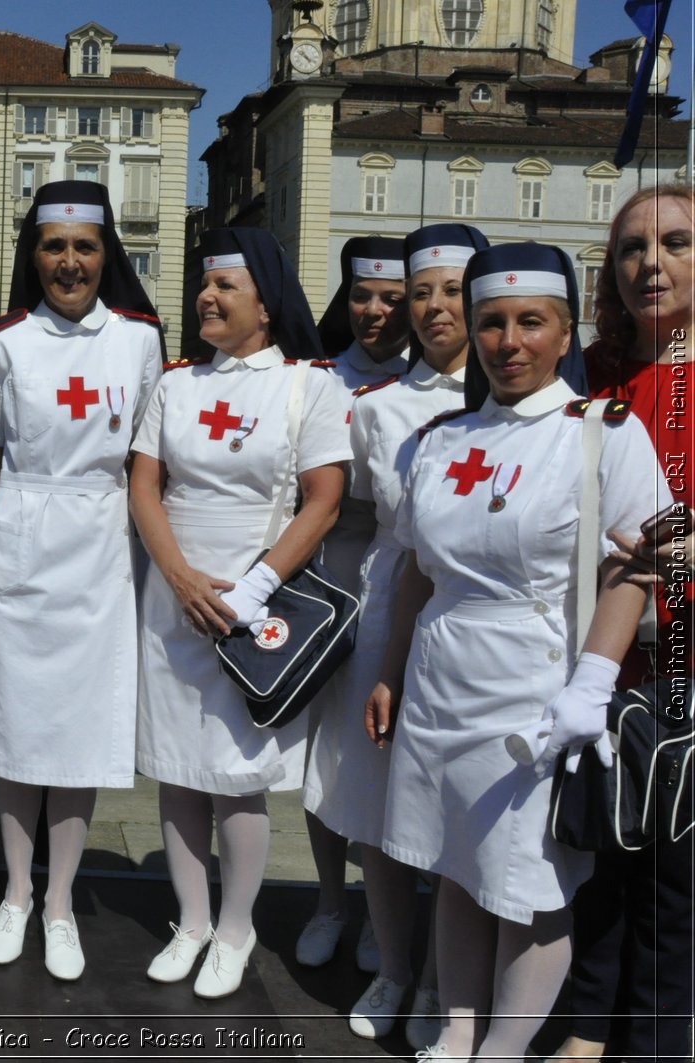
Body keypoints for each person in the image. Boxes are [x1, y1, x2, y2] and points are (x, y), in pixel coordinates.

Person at [366, 242, 669, 1062]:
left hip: (539, 689)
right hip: (441, 679)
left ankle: (503, 1046)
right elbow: (414, 576)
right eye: (491, 322)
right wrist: (390, 671)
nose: (508, 342)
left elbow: (634, 570)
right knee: (458, 865)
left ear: (564, 329)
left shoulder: (604, 434)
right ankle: (459, 1031)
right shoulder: (438, 437)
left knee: (529, 887)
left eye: (530, 322)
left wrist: (593, 684)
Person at [130, 227, 349, 998]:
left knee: (235, 773)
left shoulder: (307, 386)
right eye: (204, 286)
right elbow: (145, 486)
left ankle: (235, 925)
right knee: (177, 767)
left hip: (255, 598)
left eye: (225, 288)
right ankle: (190, 920)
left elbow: (323, 499)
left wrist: (250, 588)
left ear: (266, 301)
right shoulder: (175, 384)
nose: (207, 299)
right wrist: (179, 577)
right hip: (175, 593)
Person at [0, 180, 162, 981]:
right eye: (54, 247)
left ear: (105, 253)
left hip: (101, 546)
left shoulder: (140, 341)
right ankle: (16, 891)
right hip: (21, 536)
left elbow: (150, 462)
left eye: (85, 247)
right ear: (33, 255)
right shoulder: (2, 343)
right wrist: (4, 544)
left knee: (78, 735)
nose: (70, 263)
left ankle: (60, 902)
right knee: (18, 730)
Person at [319, 223, 488, 1042]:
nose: (431, 307)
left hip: (477, 623)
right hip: (392, 604)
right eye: (421, 292)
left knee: (457, 808)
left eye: (450, 290)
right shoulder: (378, 410)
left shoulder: (511, 403)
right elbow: (345, 510)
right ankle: (393, 965)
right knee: (382, 809)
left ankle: (442, 984)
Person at [549, 184, 693, 1063]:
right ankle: (583, 1030)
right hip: (603, 650)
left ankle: (659, 1041)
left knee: (678, 876)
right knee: (599, 846)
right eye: (633, 247)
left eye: (677, 242)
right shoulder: (592, 375)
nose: (652, 263)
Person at [300, 236, 412, 972]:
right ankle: (329, 900)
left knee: (374, 761)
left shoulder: (425, 388)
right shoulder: (315, 377)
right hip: (321, 576)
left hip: (389, 583)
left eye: (392, 299)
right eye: (363, 297)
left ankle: (382, 912)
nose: (374, 311)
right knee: (322, 758)